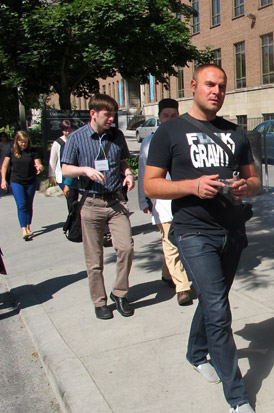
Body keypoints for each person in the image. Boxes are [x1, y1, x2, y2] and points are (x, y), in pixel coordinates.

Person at [144, 64, 260, 413]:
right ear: (193, 86)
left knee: (214, 300)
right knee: (218, 309)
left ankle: (196, 352)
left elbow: (255, 182)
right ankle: (237, 396)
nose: (217, 92)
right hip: (194, 231)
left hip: (232, 231)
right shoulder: (170, 132)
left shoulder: (236, 133)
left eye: (223, 86)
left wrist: (244, 187)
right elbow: (151, 184)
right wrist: (191, 186)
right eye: (210, 84)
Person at [61, 94, 136, 321]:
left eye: (113, 114)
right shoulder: (77, 138)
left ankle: (119, 293)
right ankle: (99, 301)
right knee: (94, 259)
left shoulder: (117, 136)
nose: (111, 119)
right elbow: (64, 169)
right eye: (107, 115)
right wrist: (84, 170)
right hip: (90, 203)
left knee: (126, 248)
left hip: (114, 202)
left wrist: (128, 173)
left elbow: (123, 161)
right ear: (93, 113)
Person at [137, 98, 193, 306]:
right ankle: (183, 288)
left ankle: (167, 274)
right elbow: (143, 173)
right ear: (159, 118)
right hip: (161, 201)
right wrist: (144, 199)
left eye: (173, 115)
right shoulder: (149, 143)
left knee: (174, 243)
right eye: (165, 115)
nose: (169, 119)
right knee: (170, 244)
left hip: (185, 199)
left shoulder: (185, 138)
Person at [1, 131, 43, 240]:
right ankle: (23, 229)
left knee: (29, 205)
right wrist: (3, 180)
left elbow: (38, 164)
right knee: (22, 204)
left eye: (25, 142)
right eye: (21, 142)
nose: (23, 144)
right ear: (17, 141)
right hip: (16, 181)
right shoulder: (11, 151)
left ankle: (28, 226)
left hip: (30, 181)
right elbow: (4, 166)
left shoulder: (33, 151)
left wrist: (39, 167)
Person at [49, 120, 78, 212]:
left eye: (69, 130)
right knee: (71, 199)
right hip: (63, 176)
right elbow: (53, 160)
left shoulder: (76, 140)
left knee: (76, 200)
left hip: (76, 175)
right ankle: (73, 221)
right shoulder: (58, 143)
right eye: (65, 130)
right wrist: (51, 175)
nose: (67, 132)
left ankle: (76, 220)